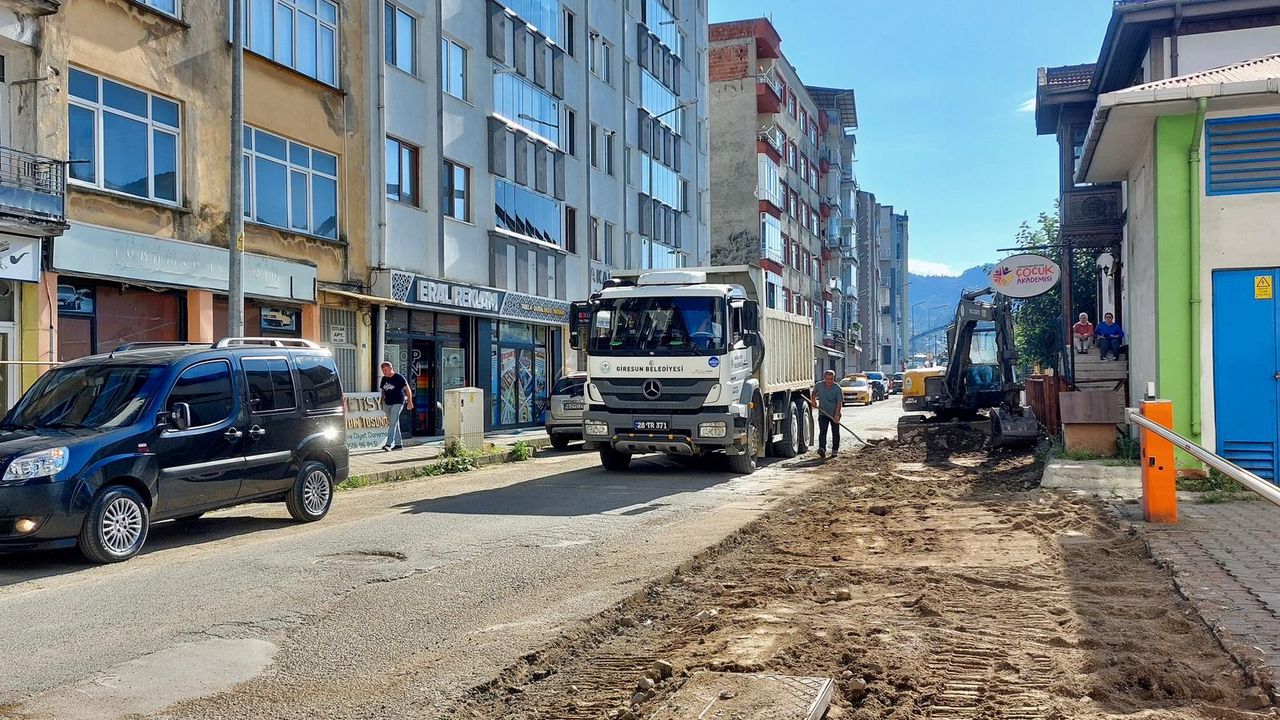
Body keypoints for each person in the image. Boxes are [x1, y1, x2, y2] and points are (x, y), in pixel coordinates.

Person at [378, 361, 413, 451]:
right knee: (394, 422)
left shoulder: (399, 378)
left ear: (391, 368)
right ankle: (398, 444)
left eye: (385, 370)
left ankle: (388, 444)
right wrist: (382, 401)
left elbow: (407, 389)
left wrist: (409, 402)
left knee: (392, 423)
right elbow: (383, 390)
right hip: (387, 403)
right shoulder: (384, 379)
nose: (384, 372)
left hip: (397, 402)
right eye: (383, 371)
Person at [810, 370, 843, 459]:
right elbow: (813, 393)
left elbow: (839, 403)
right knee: (823, 431)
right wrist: (813, 401)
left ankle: (835, 450)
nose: (829, 381)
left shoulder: (837, 389)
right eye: (827, 379)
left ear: (834, 378)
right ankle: (822, 449)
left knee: (835, 432)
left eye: (831, 379)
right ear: (824, 378)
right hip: (823, 413)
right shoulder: (819, 385)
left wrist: (836, 415)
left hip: (834, 414)